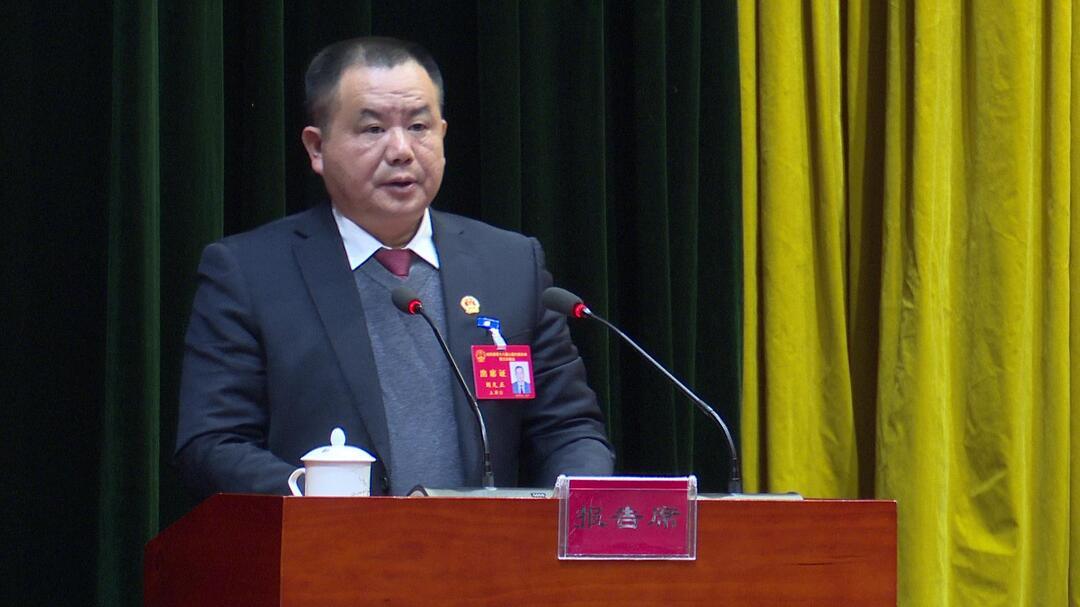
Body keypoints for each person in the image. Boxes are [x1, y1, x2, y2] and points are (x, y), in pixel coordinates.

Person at [175, 37, 614, 499]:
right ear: (317, 148)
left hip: (485, 544)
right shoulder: (250, 273)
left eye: (419, 126)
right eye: (373, 129)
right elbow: (212, 443)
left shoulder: (510, 264)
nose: (402, 150)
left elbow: (569, 429)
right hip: (327, 542)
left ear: (442, 135)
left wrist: (570, 503)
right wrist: (313, 497)